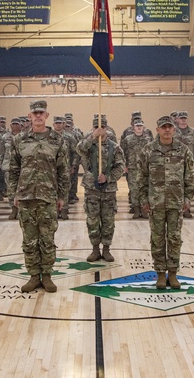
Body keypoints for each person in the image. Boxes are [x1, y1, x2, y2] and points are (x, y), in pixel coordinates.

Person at [8, 100, 69, 294]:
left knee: (47, 238)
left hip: (48, 197)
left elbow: (63, 171)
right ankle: (34, 276)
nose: (38, 116)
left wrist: (61, 196)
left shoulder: (57, 140)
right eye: (35, 113)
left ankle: (48, 275)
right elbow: (13, 169)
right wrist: (14, 194)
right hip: (25, 197)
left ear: (47, 115)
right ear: (29, 116)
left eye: (41, 113)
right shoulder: (20, 140)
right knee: (29, 239)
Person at [136, 115, 194, 290]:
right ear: (158, 130)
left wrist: (187, 198)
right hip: (156, 202)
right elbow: (141, 178)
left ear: (174, 129)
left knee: (175, 238)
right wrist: (143, 199)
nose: (167, 130)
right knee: (158, 239)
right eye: (164, 127)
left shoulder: (183, 150)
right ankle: (161, 273)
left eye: (170, 127)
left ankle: (173, 273)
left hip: (176, 202)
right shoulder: (148, 151)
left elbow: (189, 176)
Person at [76, 114, 125, 262]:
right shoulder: (88, 145)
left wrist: (108, 178)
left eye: (102, 127)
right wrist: (92, 137)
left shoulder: (114, 147)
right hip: (92, 188)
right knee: (92, 220)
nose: (100, 130)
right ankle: (95, 249)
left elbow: (120, 167)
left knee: (108, 220)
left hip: (108, 190)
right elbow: (78, 149)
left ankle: (107, 249)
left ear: (107, 128)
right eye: (97, 127)